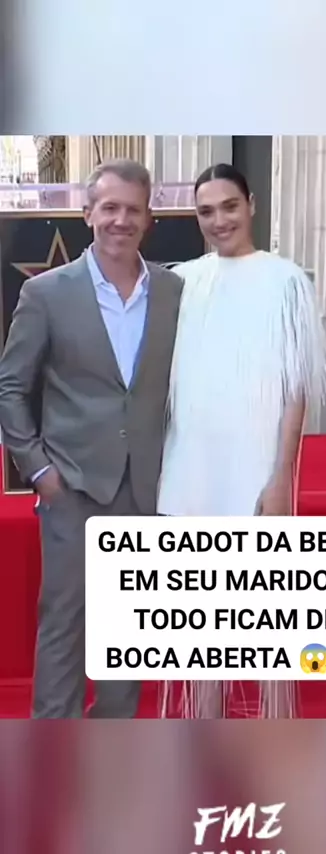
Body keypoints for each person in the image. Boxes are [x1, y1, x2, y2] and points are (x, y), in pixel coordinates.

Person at [157, 163, 326, 719]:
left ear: (252, 204)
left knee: (262, 613)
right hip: (190, 466)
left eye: (229, 206)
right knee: (198, 616)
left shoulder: (287, 281)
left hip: (254, 465)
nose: (219, 220)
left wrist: (281, 474)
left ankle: (269, 731)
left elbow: (295, 389)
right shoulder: (181, 281)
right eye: (206, 211)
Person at [0, 158, 183, 718]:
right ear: (87, 213)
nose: (121, 220)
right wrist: (39, 471)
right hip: (72, 486)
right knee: (65, 623)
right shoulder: (47, 293)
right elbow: (11, 387)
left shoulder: (174, 291)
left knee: (128, 632)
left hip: (145, 489)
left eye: (133, 210)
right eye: (110, 208)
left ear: (149, 218)